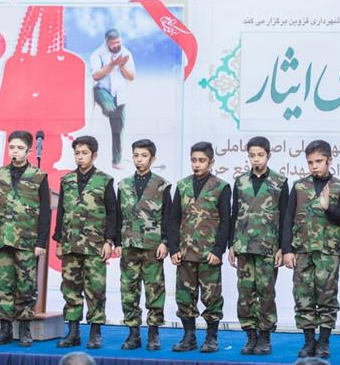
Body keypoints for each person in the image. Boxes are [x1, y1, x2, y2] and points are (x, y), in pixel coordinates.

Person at [282, 140, 340, 359]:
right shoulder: (299, 186)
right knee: (303, 297)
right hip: (302, 251)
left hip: (328, 252)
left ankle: (324, 341)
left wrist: (327, 207)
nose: (314, 166)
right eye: (310, 162)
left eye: (319, 161)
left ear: (329, 160)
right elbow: (288, 218)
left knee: (327, 298)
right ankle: (309, 341)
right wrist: (287, 249)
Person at [0, 130, 50, 347]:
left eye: (20, 148)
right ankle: (4, 328)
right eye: (12, 147)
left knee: (26, 285)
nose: (15, 151)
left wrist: (41, 242)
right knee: (2, 282)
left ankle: (24, 328)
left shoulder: (38, 176)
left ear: (29, 151)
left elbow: (45, 213)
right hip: (3, 238)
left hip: (27, 241)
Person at [54, 135, 116, 349]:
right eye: (77, 153)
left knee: (95, 289)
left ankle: (95, 333)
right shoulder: (67, 180)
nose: (80, 157)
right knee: (70, 288)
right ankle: (73, 332)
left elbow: (112, 213)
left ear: (94, 155)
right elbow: (61, 211)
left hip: (95, 245)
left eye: (84, 153)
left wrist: (109, 240)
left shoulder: (104, 180)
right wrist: (59, 240)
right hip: (70, 244)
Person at [168, 141, 231, 353]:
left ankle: (211, 338)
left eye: (202, 160)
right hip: (185, 253)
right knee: (184, 297)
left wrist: (218, 250)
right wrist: (173, 248)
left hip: (209, 254)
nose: (197, 164)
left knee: (212, 298)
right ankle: (189, 337)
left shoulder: (221, 187)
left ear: (211, 162)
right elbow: (173, 219)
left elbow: (226, 221)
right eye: (194, 160)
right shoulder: (182, 185)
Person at [229, 136, 288, 355]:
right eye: (252, 155)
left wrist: (283, 247)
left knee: (266, 293)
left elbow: (285, 217)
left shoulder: (280, 182)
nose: (256, 159)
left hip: (268, 247)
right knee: (245, 293)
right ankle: (250, 336)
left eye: (260, 155)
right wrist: (231, 244)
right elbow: (235, 213)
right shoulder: (240, 181)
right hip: (243, 246)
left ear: (268, 155)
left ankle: (265, 337)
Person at [115, 139, 171, 350]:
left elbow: (168, 216)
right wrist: (117, 241)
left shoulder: (162, 185)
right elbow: (118, 216)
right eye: (136, 155)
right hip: (129, 245)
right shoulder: (123, 185)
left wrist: (165, 242)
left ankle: (154, 334)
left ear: (152, 159)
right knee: (128, 289)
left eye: (144, 156)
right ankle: (133, 334)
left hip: (152, 246)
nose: (139, 160)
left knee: (154, 289)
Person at [90, 28, 136, 170]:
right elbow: (96, 76)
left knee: (118, 129)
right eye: (113, 43)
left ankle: (117, 161)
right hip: (102, 90)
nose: (116, 45)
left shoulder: (126, 54)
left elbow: (131, 77)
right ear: (107, 42)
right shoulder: (98, 54)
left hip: (119, 94)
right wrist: (112, 64)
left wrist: (121, 66)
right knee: (110, 109)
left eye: (118, 42)